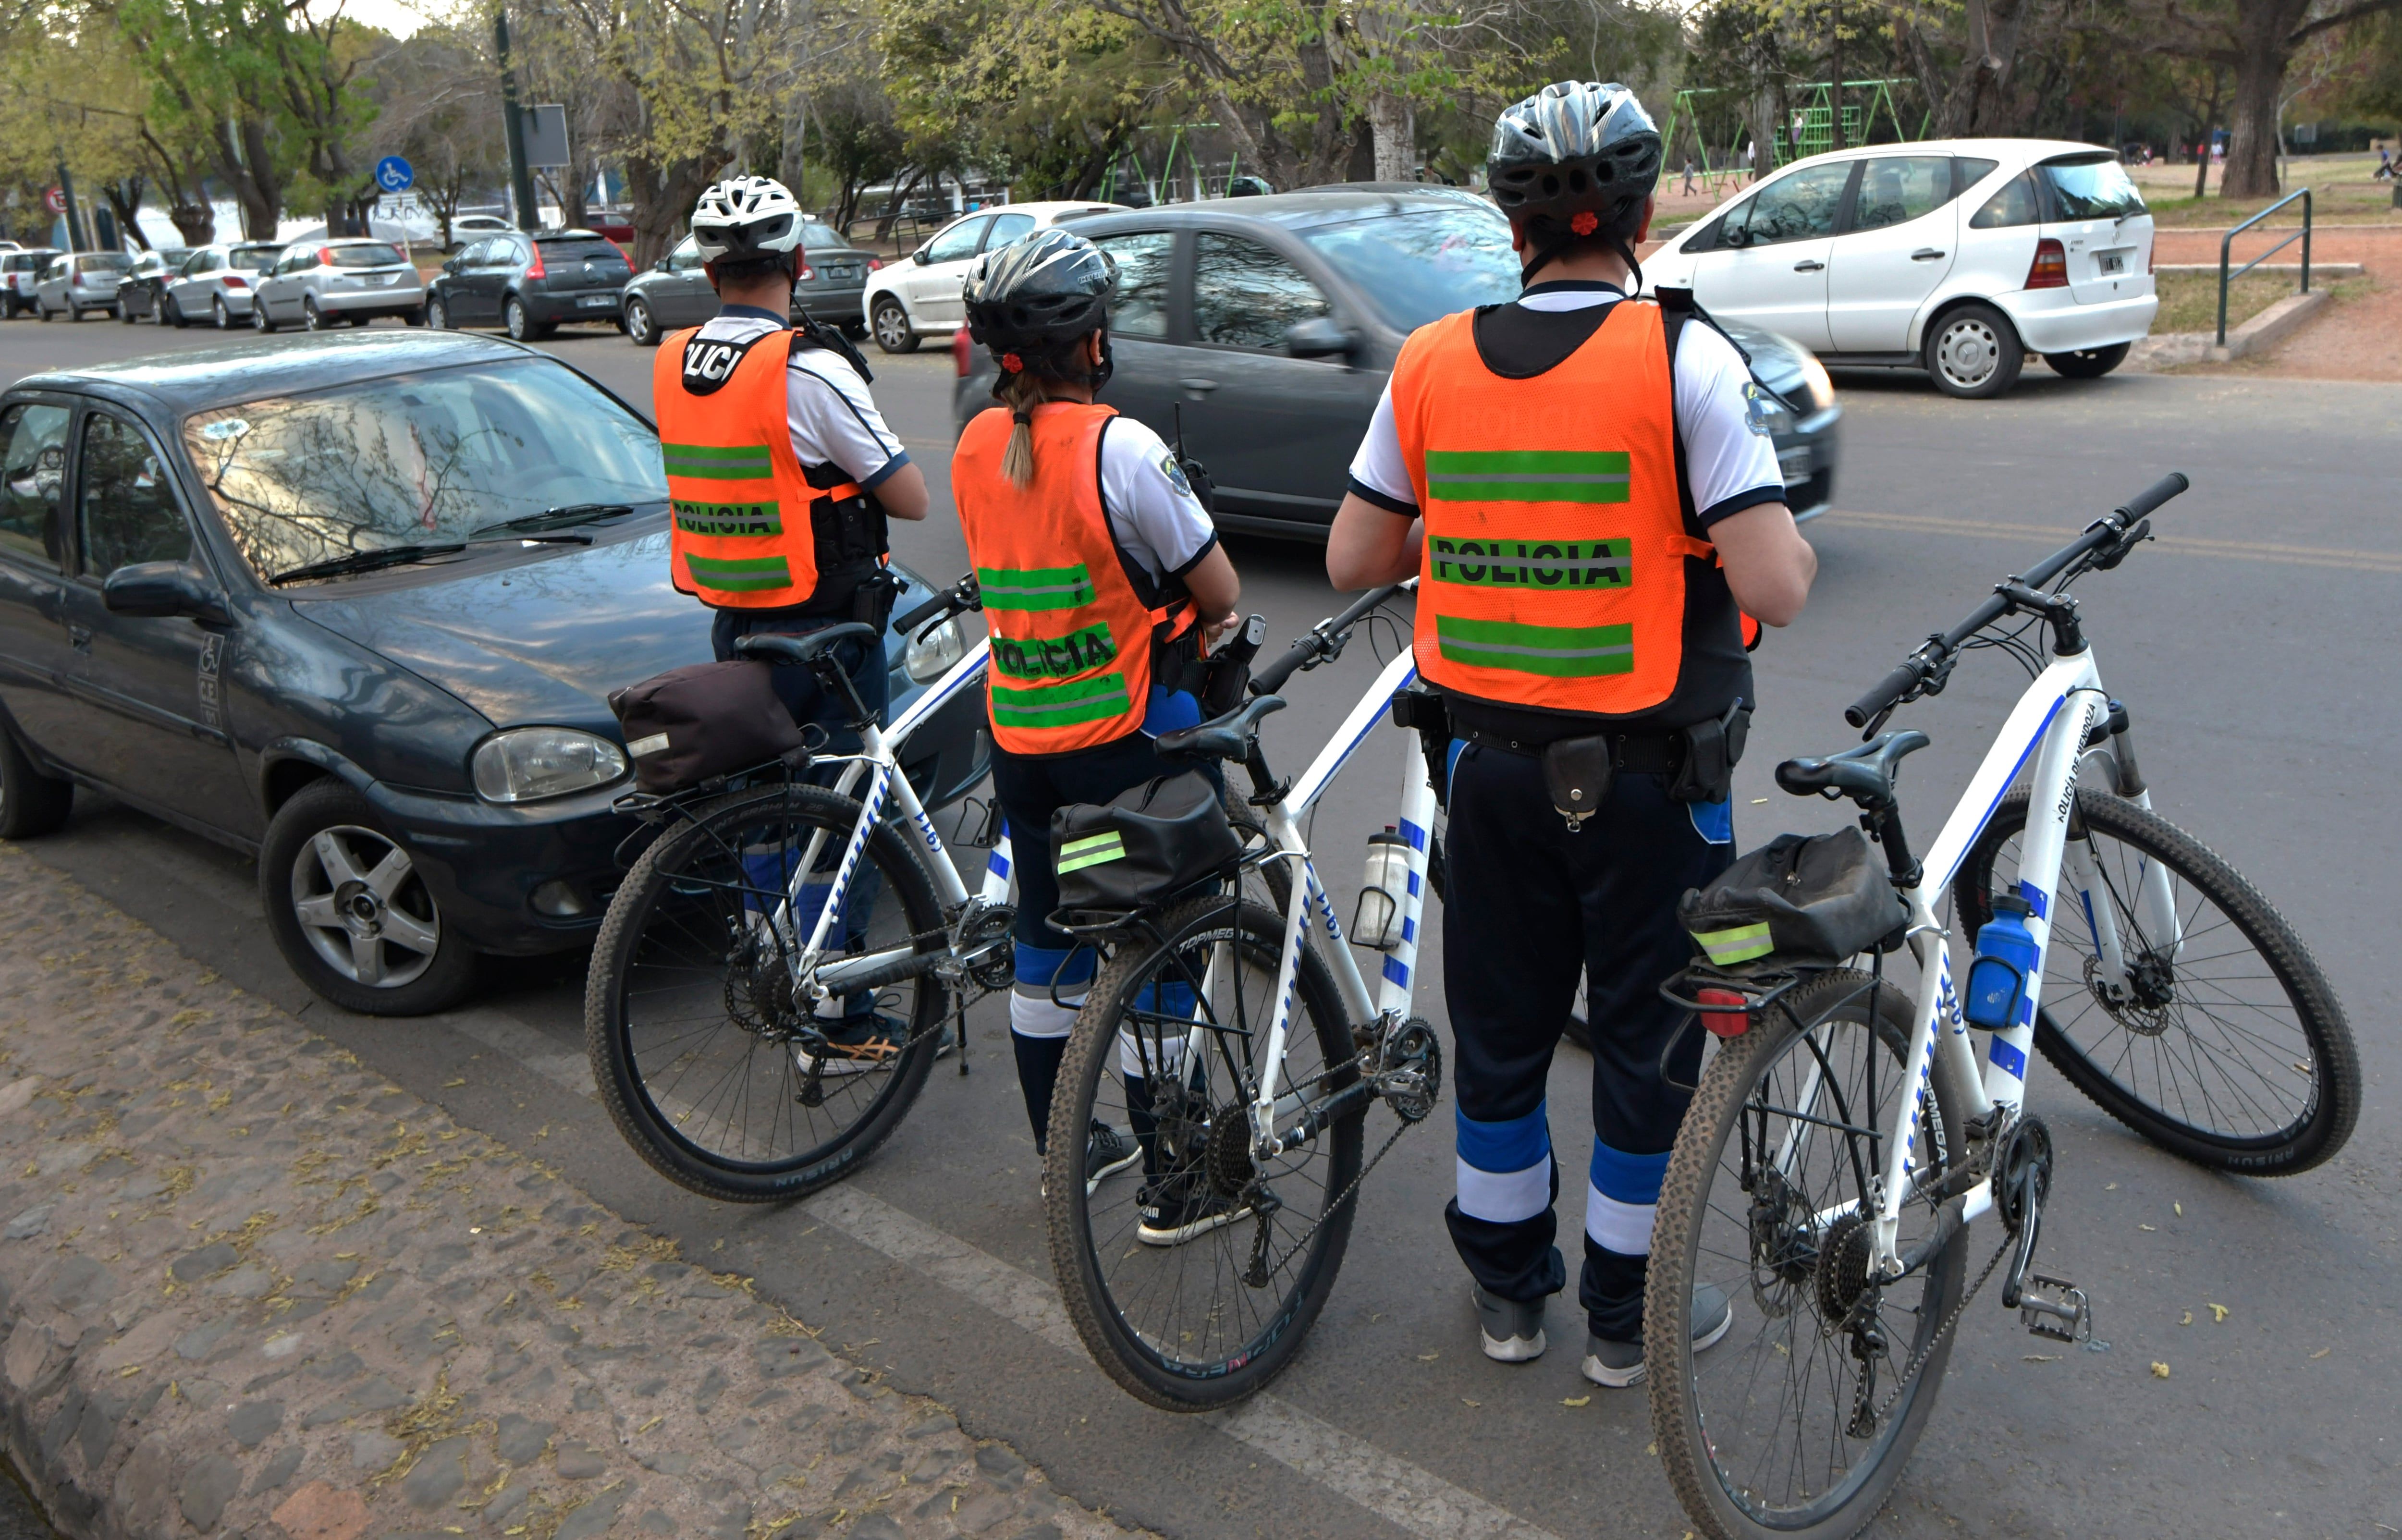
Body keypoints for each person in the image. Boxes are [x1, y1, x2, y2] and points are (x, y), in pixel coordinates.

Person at [1324, 80, 1818, 1390]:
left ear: (1514, 228)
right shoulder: (1684, 358)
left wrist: (1484, 531)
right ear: (1643, 220)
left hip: (1485, 773)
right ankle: (1622, 1319)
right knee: (1650, 1051)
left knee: (1501, 1037)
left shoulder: (1430, 361)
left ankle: (1506, 1297)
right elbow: (1775, 587)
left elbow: (1354, 558)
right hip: (1652, 784)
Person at [951, 229, 1246, 1232]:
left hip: (1024, 742)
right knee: (1159, 949)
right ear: (1091, 343)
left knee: (1045, 945)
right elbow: (1219, 590)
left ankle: (1065, 1149)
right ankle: (1177, 1180)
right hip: (1131, 747)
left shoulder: (976, 443)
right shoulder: (1121, 447)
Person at [651, 173, 931, 1070]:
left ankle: (776, 980)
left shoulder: (677, 362)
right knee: (838, 823)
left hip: (736, 623)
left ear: (710, 274)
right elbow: (910, 497)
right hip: (828, 635)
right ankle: (837, 1019)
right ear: (800, 262)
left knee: (768, 817)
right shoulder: (807, 370)